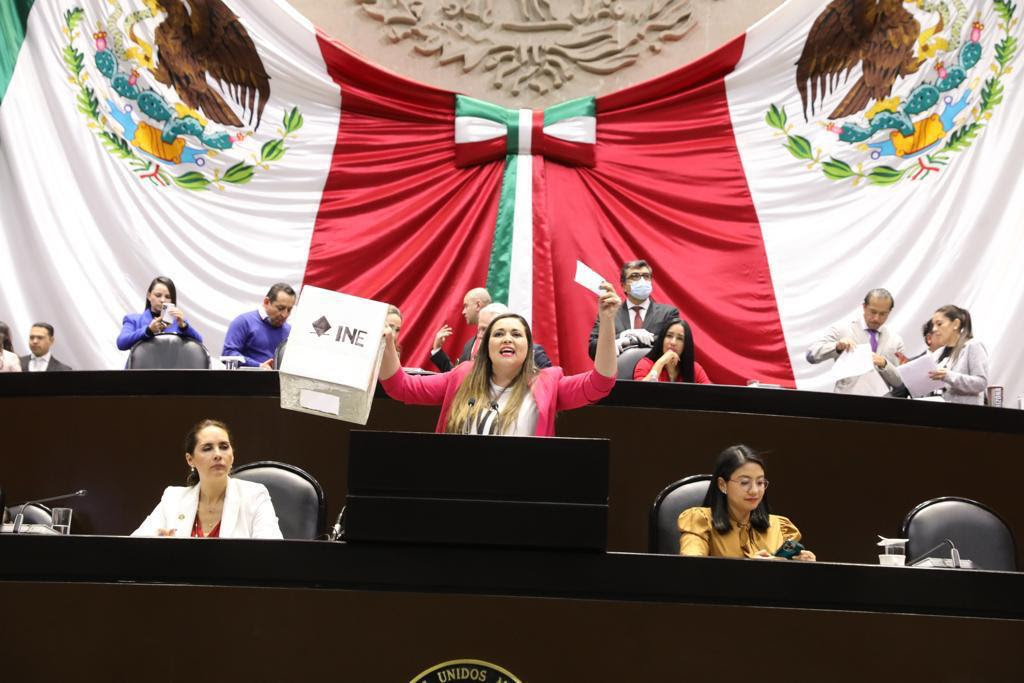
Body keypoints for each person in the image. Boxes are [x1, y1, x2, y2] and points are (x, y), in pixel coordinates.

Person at [381, 283, 620, 436]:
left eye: (516, 334)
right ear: (486, 346)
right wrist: (387, 343)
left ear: (528, 348)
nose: (507, 339)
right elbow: (400, 386)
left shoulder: (548, 383)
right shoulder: (461, 376)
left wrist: (607, 321)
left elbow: (600, 383)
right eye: (498, 334)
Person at [132, 419, 283, 538]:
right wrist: (158, 547)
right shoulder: (173, 499)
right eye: (207, 448)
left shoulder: (254, 496)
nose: (218, 454)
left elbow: (272, 554)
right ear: (190, 459)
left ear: (232, 456)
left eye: (224, 447)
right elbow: (133, 546)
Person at [678, 445, 815, 560]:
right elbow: (691, 570)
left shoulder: (779, 527)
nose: (754, 491)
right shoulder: (700, 521)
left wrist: (802, 567)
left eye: (760, 482)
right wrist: (748, 569)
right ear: (722, 485)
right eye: (744, 482)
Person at [805, 288, 905, 394]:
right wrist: (836, 347)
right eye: (873, 312)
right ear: (864, 307)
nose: (876, 318)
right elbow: (811, 355)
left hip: (882, 402)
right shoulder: (842, 329)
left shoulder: (896, 341)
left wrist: (884, 364)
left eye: (883, 314)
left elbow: (901, 383)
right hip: (846, 400)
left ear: (889, 312)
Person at [588, 259, 679, 358]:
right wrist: (622, 336)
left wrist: (630, 339)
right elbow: (593, 348)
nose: (642, 281)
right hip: (618, 367)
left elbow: (673, 342)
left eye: (646, 276)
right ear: (624, 286)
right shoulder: (610, 312)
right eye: (635, 276)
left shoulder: (668, 313)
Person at [432, 302, 552, 372]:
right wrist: (437, 351)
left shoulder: (533, 353)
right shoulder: (470, 346)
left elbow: (549, 386)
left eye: (485, 329)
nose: (479, 335)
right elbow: (456, 378)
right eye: (479, 329)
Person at [117, 276, 203, 351]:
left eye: (168, 297)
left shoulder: (179, 323)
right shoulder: (133, 320)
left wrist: (184, 327)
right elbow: (121, 343)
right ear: (149, 296)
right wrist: (148, 330)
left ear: (172, 300)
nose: (162, 300)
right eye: (158, 295)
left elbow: (199, 343)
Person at [222, 283, 296, 368]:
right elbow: (228, 354)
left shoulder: (289, 331)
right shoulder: (243, 322)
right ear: (266, 302)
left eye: (289, 310)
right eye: (280, 308)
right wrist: (258, 366)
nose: (284, 315)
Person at [927, 305, 989, 405]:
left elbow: (981, 383)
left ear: (956, 324)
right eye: (933, 325)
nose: (934, 329)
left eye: (939, 324)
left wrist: (948, 375)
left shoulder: (972, 346)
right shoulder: (937, 353)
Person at [430, 287, 492, 371]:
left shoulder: (499, 340)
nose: (463, 312)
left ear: (478, 305)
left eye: (466, 306)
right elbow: (456, 375)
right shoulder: (469, 345)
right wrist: (437, 349)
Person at [633, 318, 711, 384]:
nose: (673, 342)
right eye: (669, 336)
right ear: (662, 339)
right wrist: (660, 363)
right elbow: (640, 392)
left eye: (680, 338)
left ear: (686, 344)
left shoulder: (694, 369)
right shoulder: (645, 364)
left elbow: (710, 394)